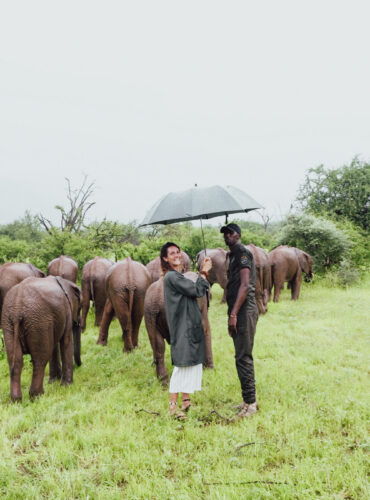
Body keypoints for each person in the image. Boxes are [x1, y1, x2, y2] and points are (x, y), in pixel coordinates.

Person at [161, 241, 212, 419]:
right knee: (181, 365)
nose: (176, 255)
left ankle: (186, 402)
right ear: (165, 259)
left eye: (178, 252)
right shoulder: (172, 277)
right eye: (172, 253)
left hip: (188, 324)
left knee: (189, 362)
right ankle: (173, 407)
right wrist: (204, 272)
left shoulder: (177, 276)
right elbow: (197, 290)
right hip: (182, 326)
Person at [220, 223, 259, 418]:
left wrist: (233, 314)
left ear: (239, 234)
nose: (228, 235)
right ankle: (247, 400)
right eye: (225, 233)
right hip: (237, 310)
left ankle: (251, 404)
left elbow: (245, 285)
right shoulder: (232, 255)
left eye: (231, 232)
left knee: (243, 356)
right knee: (240, 356)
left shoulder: (243, 253)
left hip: (244, 310)